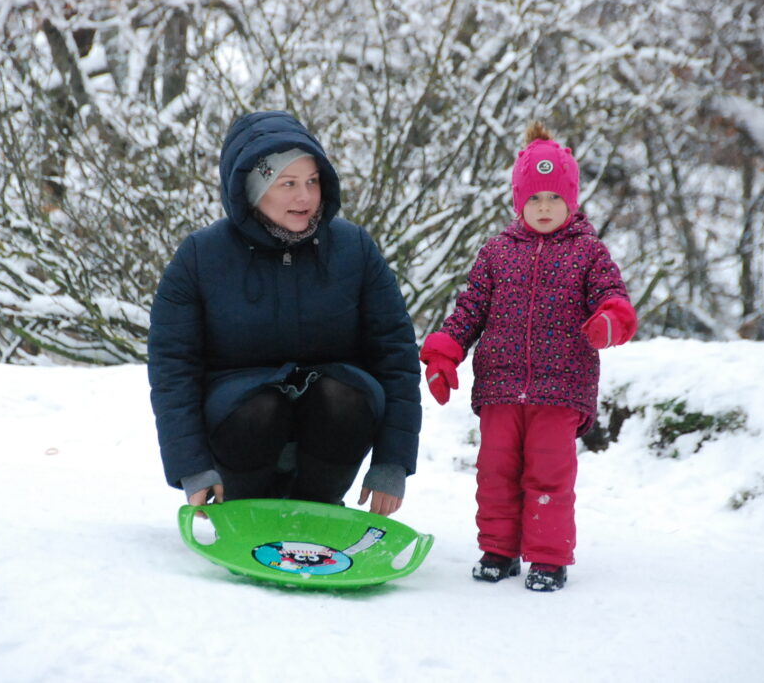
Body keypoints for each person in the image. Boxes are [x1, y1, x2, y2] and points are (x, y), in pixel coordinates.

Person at [147, 110, 421, 517]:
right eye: (288, 183)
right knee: (259, 407)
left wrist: (392, 462)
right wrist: (193, 468)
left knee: (345, 395)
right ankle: (245, 509)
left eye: (312, 181)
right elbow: (173, 368)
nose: (305, 197)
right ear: (253, 189)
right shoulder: (201, 257)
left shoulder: (354, 248)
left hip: (332, 423)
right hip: (240, 423)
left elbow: (395, 355)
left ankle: (319, 509)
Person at [420, 121, 637, 591]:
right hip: (500, 385)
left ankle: (548, 558)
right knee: (495, 472)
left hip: (561, 388)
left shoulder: (588, 252)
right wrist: (446, 353)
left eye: (554, 198)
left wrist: (610, 319)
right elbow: (470, 309)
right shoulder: (496, 253)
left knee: (549, 475)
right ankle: (498, 550)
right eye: (534, 198)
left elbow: (611, 296)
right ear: (519, 201)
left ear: (571, 200)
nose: (544, 207)